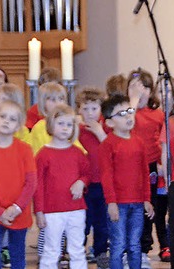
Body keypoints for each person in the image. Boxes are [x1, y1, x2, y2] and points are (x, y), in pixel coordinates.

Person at [0, 100, 37, 269]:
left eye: (12, 119)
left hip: (19, 211)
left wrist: (16, 208)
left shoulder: (25, 150)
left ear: (18, 126)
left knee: (17, 253)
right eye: (2, 116)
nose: (6, 121)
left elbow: (31, 182)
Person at [99, 95, 154, 269]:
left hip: (137, 203)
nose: (128, 116)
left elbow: (145, 172)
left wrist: (147, 199)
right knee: (118, 245)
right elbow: (106, 175)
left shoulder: (139, 142)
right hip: (119, 204)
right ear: (109, 123)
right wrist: (111, 202)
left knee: (135, 245)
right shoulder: (108, 144)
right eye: (121, 114)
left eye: (130, 111)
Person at [34, 104, 89, 269]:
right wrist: (39, 212)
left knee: (77, 249)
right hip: (52, 212)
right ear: (51, 125)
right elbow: (37, 186)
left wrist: (81, 182)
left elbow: (87, 174)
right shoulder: (43, 154)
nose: (65, 128)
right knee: (51, 250)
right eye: (61, 123)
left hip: (76, 209)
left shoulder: (78, 153)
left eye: (69, 124)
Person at [126, 69, 166, 267]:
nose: (140, 93)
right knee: (129, 207)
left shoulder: (157, 115)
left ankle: (143, 248)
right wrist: (132, 101)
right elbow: (127, 124)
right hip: (128, 167)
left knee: (149, 208)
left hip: (150, 166)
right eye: (134, 88)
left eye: (144, 88)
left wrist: (161, 164)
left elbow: (161, 141)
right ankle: (128, 248)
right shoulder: (126, 112)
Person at [76, 88, 110, 268]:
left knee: (102, 222)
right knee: (83, 221)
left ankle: (100, 252)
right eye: (85, 108)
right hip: (84, 185)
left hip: (103, 183)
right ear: (79, 110)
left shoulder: (106, 129)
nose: (90, 113)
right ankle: (77, 251)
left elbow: (112, 150)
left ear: (101, 110)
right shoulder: (76, 130)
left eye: (94, 109)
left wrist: (99, 132)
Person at [28, 82, 86, 155]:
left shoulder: (68, 123)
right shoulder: (40, 127)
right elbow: (37, 155)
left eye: (61, 99)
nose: (58, 103)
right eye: (52, 100)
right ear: (43, 103)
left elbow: (79, 151)